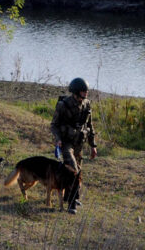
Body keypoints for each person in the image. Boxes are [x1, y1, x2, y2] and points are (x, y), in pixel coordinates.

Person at [50, 77, 97, 212]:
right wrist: (58, 139)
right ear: (76, 92)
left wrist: (93, 146)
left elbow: (90, 126)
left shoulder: (87, 104)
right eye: (83, 91)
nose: (86, 93)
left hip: (79, 144)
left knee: (79, 172)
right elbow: (54, 125)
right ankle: (71, 204)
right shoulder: (63, 105)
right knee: (73, 170)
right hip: (66, 143)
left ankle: (73, 197)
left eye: (86, 91)